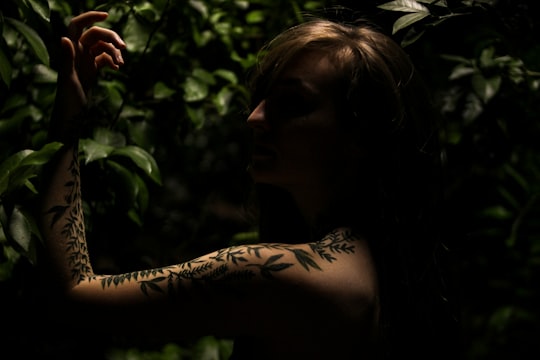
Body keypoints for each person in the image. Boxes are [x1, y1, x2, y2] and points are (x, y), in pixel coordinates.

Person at [40, 9, 458, 360]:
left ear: (363, 136)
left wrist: (68, 120)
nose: (254, 119)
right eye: (262, 99)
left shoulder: (285, 276)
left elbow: (75, 296)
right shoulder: (384, 265)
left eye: (293, 104)